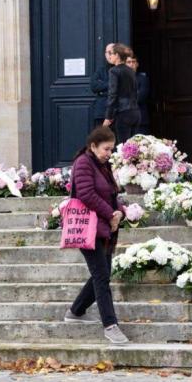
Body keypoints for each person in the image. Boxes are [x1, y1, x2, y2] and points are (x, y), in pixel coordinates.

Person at [64, 126, 129, 344]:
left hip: (105, 229)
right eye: (106, 149)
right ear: (93, 146)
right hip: (89, 228)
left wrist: (121, 210)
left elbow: (110, 194)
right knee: (102, 277)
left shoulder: (102, 165)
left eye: (111, 150)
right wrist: (111, 213)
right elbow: (86, 194)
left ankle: (75, 311)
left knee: (102, 273)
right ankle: (110, 325)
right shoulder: (83, 163)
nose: (109, 154)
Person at [103, 43, 140, 143]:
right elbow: (135, 92)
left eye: (111, 53)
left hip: (123, 113)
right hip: (135, 112)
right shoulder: (131, 70)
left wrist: (108, 116)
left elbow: (112, 94)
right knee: (132, 148)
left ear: (117, 56)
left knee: (123, 149)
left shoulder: (113, 71)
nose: (110, 56)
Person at [89, 43, 115, 127]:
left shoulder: (123, 70)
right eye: (108, 52)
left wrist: (102, 90)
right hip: (101, 113)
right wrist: (112, 84)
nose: (110, 55)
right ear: (105, 54)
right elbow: (94, 86)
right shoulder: (100, 70)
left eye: (113, 52)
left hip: (118, 113)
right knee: (101, 139)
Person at [126, 53, 150, 134]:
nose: (131, 64)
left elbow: (141, 97)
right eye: (128, 62)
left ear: (137, 64)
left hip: (140, 121)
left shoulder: (143, 79)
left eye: (133, 62)